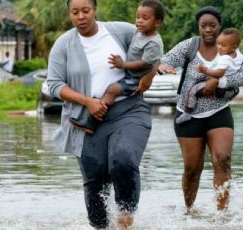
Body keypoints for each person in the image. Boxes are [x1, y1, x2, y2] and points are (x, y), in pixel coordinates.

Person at [47, 0, 158, 229]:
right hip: (88, 119)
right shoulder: (64, 44)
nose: (81, 17)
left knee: (123, 161)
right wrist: (87, 101)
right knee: (94, 182)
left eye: (85, 11)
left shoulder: (121, 31)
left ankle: (126, 218)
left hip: (128, 110)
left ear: (95, 10)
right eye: (75, 12)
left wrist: (148, 77)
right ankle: (100, 227)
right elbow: (55, 84)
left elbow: (152, 50)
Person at [158, 6, 243, 211]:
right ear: (198, 27)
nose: (208, 30)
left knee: (223, 159)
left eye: (213, 26)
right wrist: (162, 66)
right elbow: (164, 60)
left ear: (220, 27)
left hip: (219, 112)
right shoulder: (188, 46)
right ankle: (189, 211)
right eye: (203, 26)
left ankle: (222, 214)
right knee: (192, 169)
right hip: (188, 115)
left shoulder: (229, 49)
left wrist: (218, 82)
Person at [69, 0, 164, 134]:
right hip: (129, 74)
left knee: (111, 91)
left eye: (145, 18)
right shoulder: (138, 32)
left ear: (157, 23)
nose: (139, 21)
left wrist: (123, 65)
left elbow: (146, 63)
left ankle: (91, 122)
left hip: (135, 78)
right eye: (138, 17)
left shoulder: (153, 42)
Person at [175, 27, 243, 124]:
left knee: (193, 90)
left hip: (216, 82)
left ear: (233, 47)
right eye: (218, 43)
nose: (219, 47)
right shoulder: (238, 55)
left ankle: (187, 113)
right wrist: (238, 64)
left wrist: (206, 71)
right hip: (227, 88)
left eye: (223, 45)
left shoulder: (225, 58)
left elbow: (219, 73)